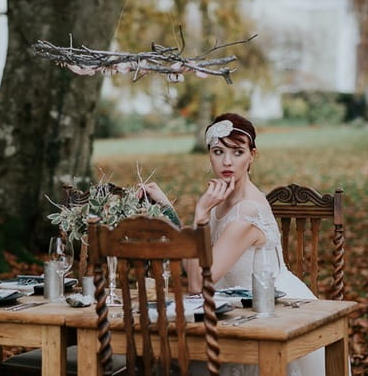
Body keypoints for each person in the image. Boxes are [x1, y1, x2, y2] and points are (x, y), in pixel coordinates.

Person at [138, 112, 325, 376]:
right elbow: (196, 268)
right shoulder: (223, 200)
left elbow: (196, 283)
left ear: (252, 156)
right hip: (230, 310)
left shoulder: (246, 210)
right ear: (209, 155)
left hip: (268, 311)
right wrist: (169, 210)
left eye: (237, 152)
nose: (227, 161)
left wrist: (200, 216)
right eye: (218, 151)